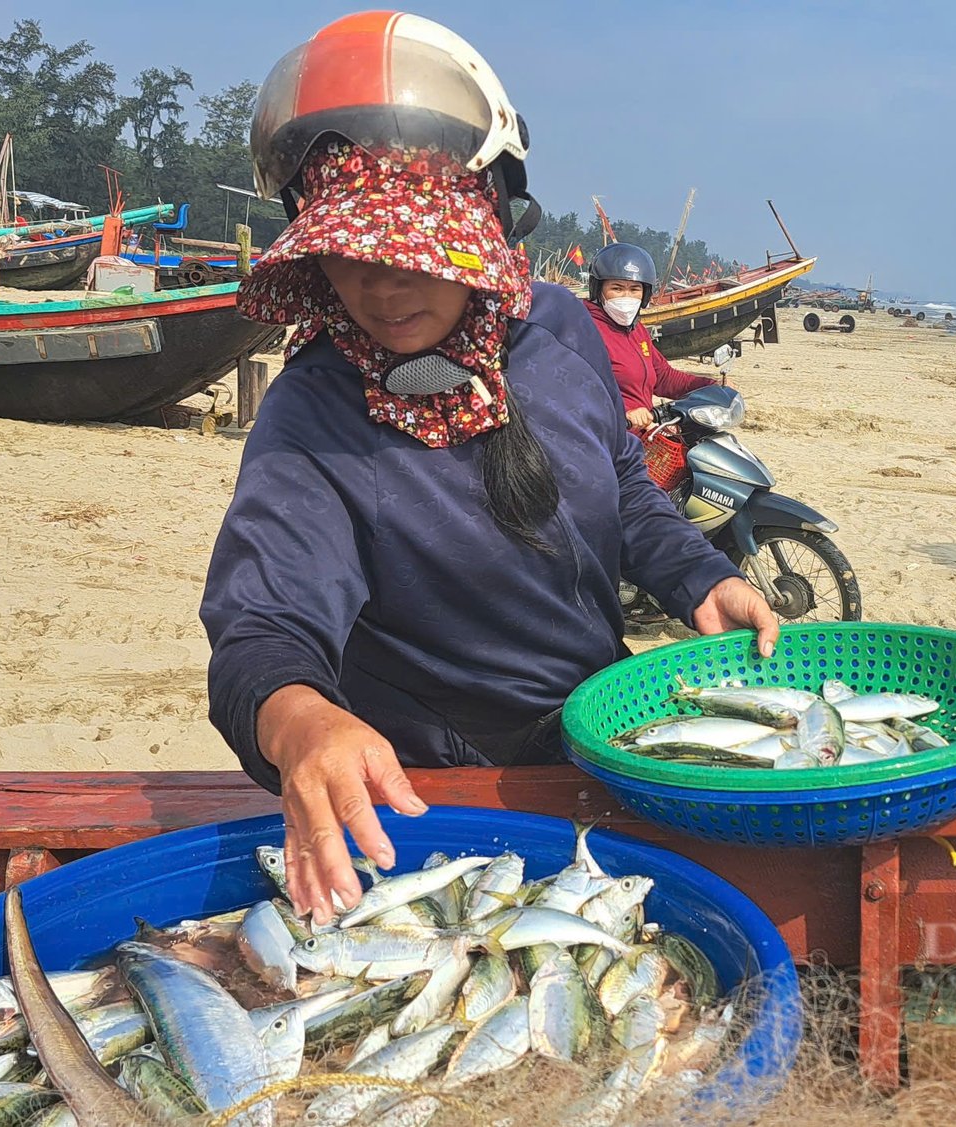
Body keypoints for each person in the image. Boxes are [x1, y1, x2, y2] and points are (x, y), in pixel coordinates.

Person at [202, 12, 779, 923]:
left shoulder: (555, 331)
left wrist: (697, 575)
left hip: (605, 733)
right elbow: (263, 619)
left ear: (491, 224)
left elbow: (623, 482)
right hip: (436, 790)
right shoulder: (313, 413)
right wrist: (299, 716)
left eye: (415, 253)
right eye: (351, 255)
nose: (383, 288)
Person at [584, 242, 717, 429]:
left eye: (634, 289)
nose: (626, 296)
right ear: (598, 290)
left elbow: (664, 377)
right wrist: (624, 412)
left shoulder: (636, 330)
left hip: (643, 434)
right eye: (617, 288)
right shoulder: (585, 329)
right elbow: (578, 389)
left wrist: (709, 386)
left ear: (644, 294)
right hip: (608, 437)